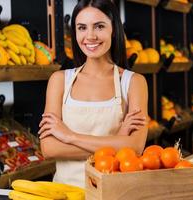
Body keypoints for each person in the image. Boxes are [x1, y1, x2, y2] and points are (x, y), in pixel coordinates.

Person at [38, 0, 148, 188]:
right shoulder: (59, 80)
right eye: (82, 28)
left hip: (113, 193)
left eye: (99, 26)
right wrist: (117, 143)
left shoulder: (133, 82)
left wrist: (69, 136)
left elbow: (136, 147)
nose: (90, 36)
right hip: (65, 193)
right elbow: (48, 148)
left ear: (113, 29)